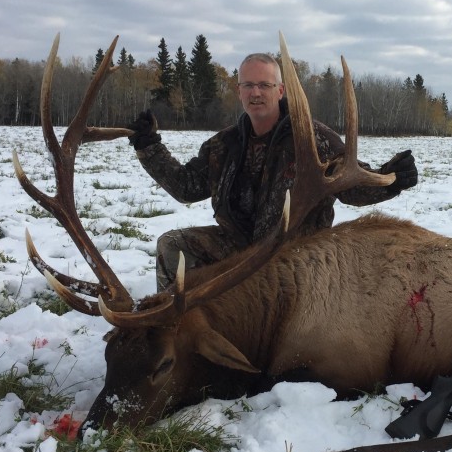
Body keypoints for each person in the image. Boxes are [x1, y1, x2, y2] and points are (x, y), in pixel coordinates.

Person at [126, 52, 418, 290]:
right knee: (172, 246)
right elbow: (185, 187)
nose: (256, 93)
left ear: (280, 90)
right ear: (239, 91)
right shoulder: (223, 144)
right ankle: (173, 330)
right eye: (248, 85)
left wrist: (390, 180)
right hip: (240, 247)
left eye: (264, 85)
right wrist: (148, 146)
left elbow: (349, 186)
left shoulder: (312, 138)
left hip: (298, 253)